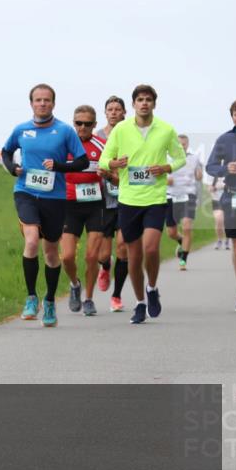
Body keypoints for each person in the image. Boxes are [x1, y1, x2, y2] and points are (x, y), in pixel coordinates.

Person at [1, 84, 88, 327]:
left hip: (55, 197)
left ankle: (49, 301)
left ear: (53, 103)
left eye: (46, 100)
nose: (42, 104)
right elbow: (6, 152)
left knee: (50, 252)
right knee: (31, 241)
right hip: (26, 191)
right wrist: (13, 168)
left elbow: (82, 162)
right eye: (38, 100)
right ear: (31, 103)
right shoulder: (21, 129)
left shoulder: (65, 131)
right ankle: (31, 298)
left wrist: (59, 166)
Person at [98, 84, 186, 324]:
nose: (144, 103)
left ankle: (152, 288)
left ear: (154, 104)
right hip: (128, 200)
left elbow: (180, 158)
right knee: (134, 257)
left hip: (155, 198)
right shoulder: (121, 130)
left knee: (151, 248)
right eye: (140, 99)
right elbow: (104, 160)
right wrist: (114, 164)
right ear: (134, 104)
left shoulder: (166, 129)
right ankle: (139, 302)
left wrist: (166, 167)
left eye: (148, 99)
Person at [60, 105, 107, 316]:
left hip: (95, 204)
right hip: (69, 205)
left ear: (94, 125)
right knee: (67, 257)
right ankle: (74, 284)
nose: (83, 127)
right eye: (78, 123)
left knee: (91, 256)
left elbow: (115, 174)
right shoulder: (63, 145)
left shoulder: (102, 145)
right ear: (73, 123)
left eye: (87, 124)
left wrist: (108, 174)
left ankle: (88, 298)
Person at [204, 99, 236, 311]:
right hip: (234, 198)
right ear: (233, 117)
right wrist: (226, 169)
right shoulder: (224, 140)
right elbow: (210, 166)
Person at [95, 95, 129, 311]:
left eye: (118, 109)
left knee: (123, 247)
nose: (114, 112)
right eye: (110, 109)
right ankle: (105, 267)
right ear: (105, 113)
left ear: (124, 112)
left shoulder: (130, 134)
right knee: (104, 254)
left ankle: (116, 296)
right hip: (102, 199)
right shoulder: (97, 136)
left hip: (126, 198)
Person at [164, 135, 204, 270]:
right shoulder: (167, 158)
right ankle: (181, 241)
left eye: (184, 144)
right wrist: (166, 180)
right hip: (171, 196)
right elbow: (158, 177)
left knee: (187, 226)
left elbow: (199, 176)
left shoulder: (194, 158)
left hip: (188, 195)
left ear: (187, 145)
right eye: (179, 144)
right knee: (171, 232)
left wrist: (199, 175)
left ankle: (183, 260)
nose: (182, 146)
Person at [211, 177, 228, 250]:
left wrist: (224, 186)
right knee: (218, 220)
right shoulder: (213, 176)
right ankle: (219, 239)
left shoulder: (229, 174)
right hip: (216, 200)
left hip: (228, 200)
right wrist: (213, 188)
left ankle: (227, 240)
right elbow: (209, 188)